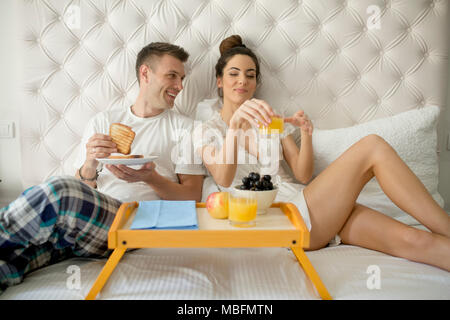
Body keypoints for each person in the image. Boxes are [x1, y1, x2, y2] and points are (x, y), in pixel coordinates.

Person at [194, 35, 450, 271]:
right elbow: (223, 178)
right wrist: (235, 128)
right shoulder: (206, 130)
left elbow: (304, 175)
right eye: (234, 74)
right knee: (373, 146)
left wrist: (305, 134)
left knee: (414, 239)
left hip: (312, 207)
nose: (243, 81)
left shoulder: (271, 121)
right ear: (219, 80)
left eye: (250, 75)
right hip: (279, 217)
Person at [0, 42, 205, 293]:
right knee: (15, 261)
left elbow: (193, 197)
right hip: (85, 224)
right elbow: (84, 186)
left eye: (182, 78)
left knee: (60, 190)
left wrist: (151, 178)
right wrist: (89, 165)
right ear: (145, 73)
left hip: (133, 223)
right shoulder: (104, 120)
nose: (180, 86)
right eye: (172, 76)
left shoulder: (186, 128)